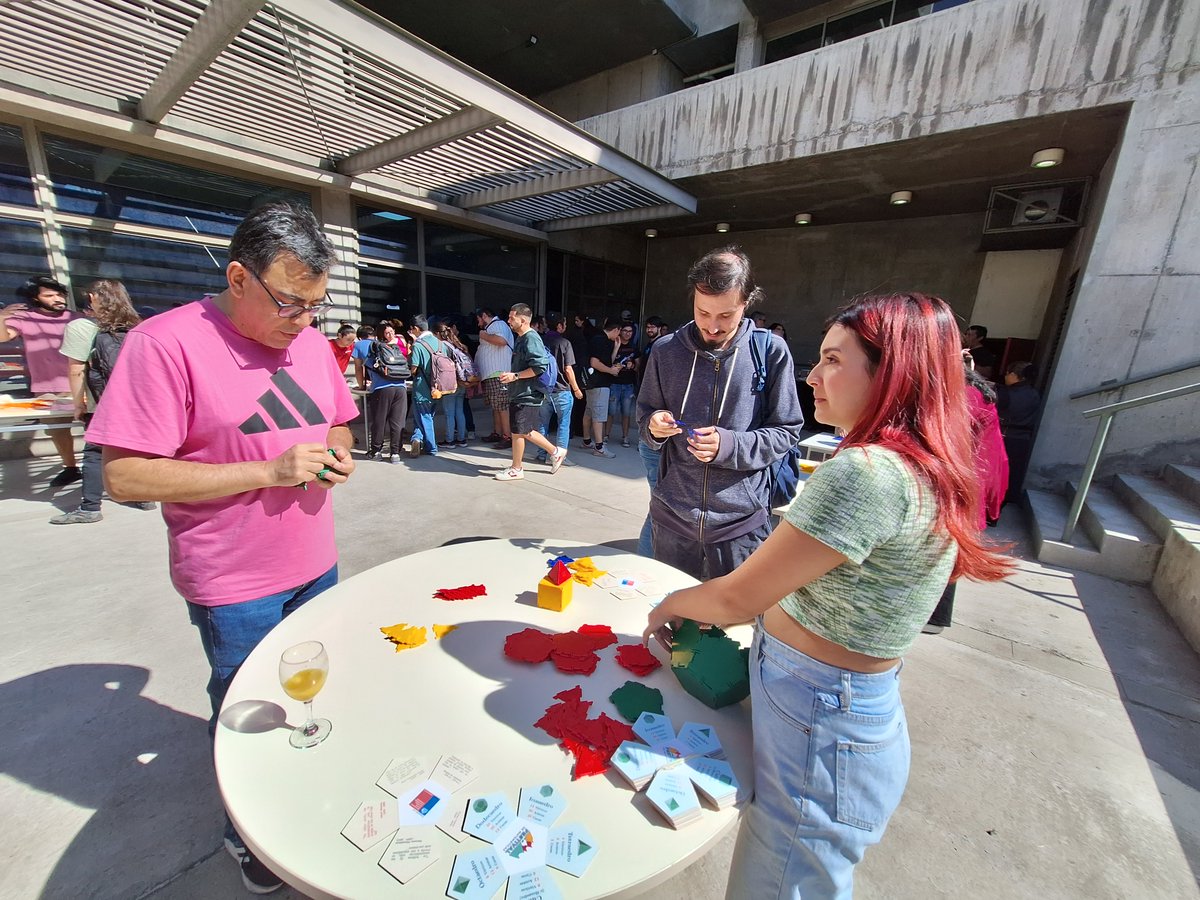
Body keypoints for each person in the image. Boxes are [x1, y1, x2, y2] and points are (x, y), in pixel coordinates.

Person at [644, 291, 1012, 899]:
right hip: (837, 710)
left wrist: (670, 604)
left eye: (833, 360)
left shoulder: (865, 473)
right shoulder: (923, 463)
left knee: (780, 881)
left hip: (821, 717)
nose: (812, 376)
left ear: (892, 372)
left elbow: (739, 597)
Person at [87, 203, 358, 895]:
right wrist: (266, 472)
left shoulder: (309, 343)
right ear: (239, 278)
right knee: (246, 710)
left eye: (315, 307)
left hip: (315, 563)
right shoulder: (164, 344)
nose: (303, 322)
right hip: (235, 581)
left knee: (311, 697)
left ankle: (298, 795)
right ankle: (250, 834)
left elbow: (338, 426)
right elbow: (124, 476)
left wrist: (336, 453)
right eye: (290, 303)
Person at [637, 246, 805, 580]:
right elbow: (645, 415)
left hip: (740, 527)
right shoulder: (665, 350)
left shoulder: (770, 351)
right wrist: (653, 426)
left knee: (734, 628)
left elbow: (787, 430)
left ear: (747, 302)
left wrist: (730, 446)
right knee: (669, 620)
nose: (712, 326)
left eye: (725, 315)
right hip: (672, 520)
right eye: (703, 312)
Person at [50, 280, 156, 524]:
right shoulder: (138, 327)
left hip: (105, 403)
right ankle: (143, 497)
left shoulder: (82, 328)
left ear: (91, 297)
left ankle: (89, 508)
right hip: (139, 401)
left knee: (95, 453)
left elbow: (76, 370)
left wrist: (79, 404)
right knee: (137, 448)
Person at [925, 357, 1009, 633]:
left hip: (965, 481)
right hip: (978, 476)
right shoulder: (976, 392)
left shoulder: (966, 397)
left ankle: (936, 616)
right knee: (949, 544)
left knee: (945, 546)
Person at [1, 275, 82, 485]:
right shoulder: (25, 318)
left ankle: (101, 466)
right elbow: (3, 337)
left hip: (83, 384)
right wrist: (1, 317)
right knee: (58, 431)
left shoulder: (77, 318)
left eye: (59, 294)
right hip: (48, 387)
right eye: (49, 295)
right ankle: (71, 468)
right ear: (36, 298)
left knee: (94, 429)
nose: (57, 299)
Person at [494, 303, 568, 480]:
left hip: (528, 393)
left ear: (522, 320)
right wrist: (513, 377)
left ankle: (554, 452)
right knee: (518, 431)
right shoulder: (521, 338)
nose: (509, 321)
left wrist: (516, 376)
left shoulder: (530, 338)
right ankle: (517, 467)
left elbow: (539, 366)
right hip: (520, 392)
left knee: (524, 430)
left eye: (512, 318)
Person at [353, 322, 409, 462]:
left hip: (381, 388)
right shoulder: (395, 346)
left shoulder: (362, 345)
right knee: (397, 421)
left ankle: (376, 452)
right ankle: (395, 453)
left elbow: (359, 368)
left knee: (379, 421)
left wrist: (361, 386)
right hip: (401, 387)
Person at [534, 311, 583, 466]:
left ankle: (541, 454)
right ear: (560, 325)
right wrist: (576, 389)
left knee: (543, 423)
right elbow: (568, 369)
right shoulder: (564, 343)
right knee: (563, 423)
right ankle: (560, 456)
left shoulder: (540, 341)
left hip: (543, 389)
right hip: (562, 390)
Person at [997, 360, 1040, 503]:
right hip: (1023, 439)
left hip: (1005, 436)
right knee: (1014, 472)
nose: (1005, 376)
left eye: (1008, 373)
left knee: (999, 473)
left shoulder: (1006, 394)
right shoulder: (1034, 394)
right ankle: (1010, 498)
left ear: (1015, 375)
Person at [581, 318, 622, 457]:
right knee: (598, 415)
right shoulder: (601, 340)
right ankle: (599, 447)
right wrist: (611, 371)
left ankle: (587, 440)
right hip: (599, 383)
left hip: (593, 382)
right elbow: (594, 362)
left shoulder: (600, 339)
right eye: (619, 332)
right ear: (616, 330)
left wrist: (616, 348)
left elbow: (606, 361)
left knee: (589, 412)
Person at [474, 307, 514, 448]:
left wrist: (483, 335)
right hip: (491, 374)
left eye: (479, 319)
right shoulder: (492, 327)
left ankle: (507, 436)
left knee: (501, 406)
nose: (479, 324)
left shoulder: (498, 324)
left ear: (484, 316)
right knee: (496, 406)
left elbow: (501, 341)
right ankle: (497, 433)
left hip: (499, 373)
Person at [408, 314, 447, 457]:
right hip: (438, 387)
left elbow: (413, 368)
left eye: (412, 330)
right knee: (425, 416)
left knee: (424, 417)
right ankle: (417, 438)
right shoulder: (441, 343)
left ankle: (431, 447)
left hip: (422, 388)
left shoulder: (418, 345)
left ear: (416, 329)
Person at [435, 321, 469, 448]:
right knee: (459, 411)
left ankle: (449, 440)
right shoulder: (457, 344)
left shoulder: (443, 346)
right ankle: (461, 439)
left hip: (450, 382)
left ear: (438, 333)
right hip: (461, 381)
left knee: (449, 413)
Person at [606, 323, 638, 447]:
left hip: (628, 384)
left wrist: (633, 365)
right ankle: (606, 435)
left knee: (626, 413)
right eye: (625, 331)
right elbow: (608, 361)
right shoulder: (613, 344)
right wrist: (616, 347)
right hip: (614, 383)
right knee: (611, 411)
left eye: (630, 331)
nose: (627, 333)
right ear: (620, 331)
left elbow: (638, 367)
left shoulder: (634, 348)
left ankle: (625, 437)